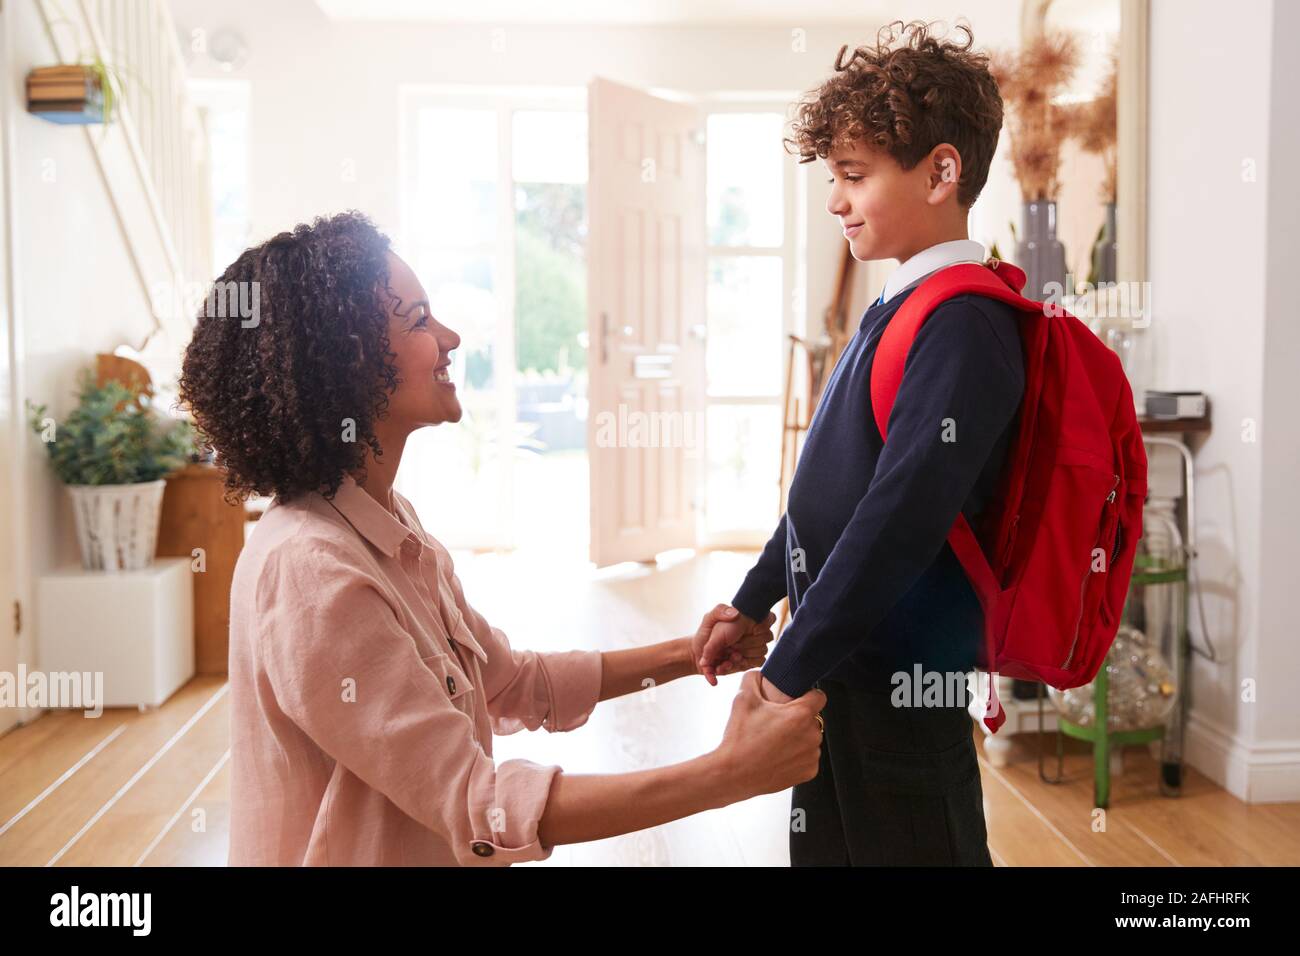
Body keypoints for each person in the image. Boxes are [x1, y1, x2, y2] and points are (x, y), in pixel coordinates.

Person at [179, 210, 826, 866]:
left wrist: (688, 656)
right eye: (419, 320)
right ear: (343, 361)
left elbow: (512, 683)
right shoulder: (311, 570)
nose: (450, 336)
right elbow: (476, 801)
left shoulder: (386, 521)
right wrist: (730, 773)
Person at [698, 20, 1025, 866]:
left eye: (854, 175)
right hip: (840, 666)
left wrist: (782, 671)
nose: (836, 199)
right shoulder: (898, 308)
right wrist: (753, 598)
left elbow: (899, 518)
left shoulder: (967, 324)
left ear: (941, 172)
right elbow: (827, 490)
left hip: (904, 688)